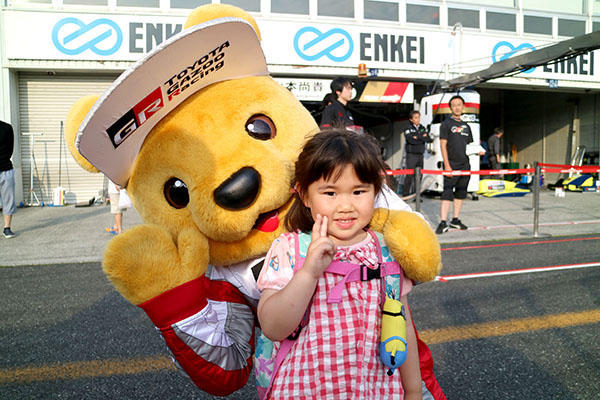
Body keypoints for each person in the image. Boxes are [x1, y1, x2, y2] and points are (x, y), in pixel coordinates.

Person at [256, 130, 421, 399]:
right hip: (304, 390)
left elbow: (402, 323)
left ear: (375, 191)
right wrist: (309, 272)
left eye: (358, 191)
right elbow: (273, 327)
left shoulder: (386, 251)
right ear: (305, 195)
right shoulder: (290, 249)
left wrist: (413, 391)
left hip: (374, 390)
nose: (346, 205)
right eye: (330, 193)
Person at [435, 95, 484, 234]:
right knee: (447, 193)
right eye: (454, 105)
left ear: (463, 107)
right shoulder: (446, 124)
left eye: (459, 104)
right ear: (450, 108)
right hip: (451, 165)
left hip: (465, 166)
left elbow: (469, 146)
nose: (457, 107)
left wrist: (478, 151)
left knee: (461, 193)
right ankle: (443, 222)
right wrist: (447, 165)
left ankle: (455, 220)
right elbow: (443, 145)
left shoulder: (467, 126)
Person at [402, 110, 432, 197]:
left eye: (418, 117)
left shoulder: (422, 127)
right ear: (411, 119)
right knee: (410, 175)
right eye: (415, 117)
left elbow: (428, 139)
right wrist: (421, 137)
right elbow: (410, 140)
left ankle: (416, 195)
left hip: (420, 154)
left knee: (418, 176)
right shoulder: (407, 128)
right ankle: (406, 194)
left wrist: (417, 137)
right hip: (411, 155)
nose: (418, 119)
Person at [0, 120, 16, 239]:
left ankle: (7, 228)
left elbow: (11, 149)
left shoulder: (7, 128)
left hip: (6, 169)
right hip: (5, 167)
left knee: (8, 200)